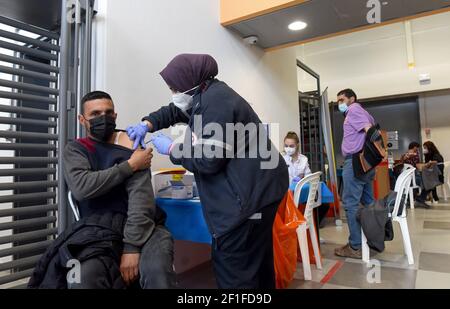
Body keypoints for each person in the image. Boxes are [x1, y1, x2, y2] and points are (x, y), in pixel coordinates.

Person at [126, 54, 289, 289]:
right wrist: (147, 123)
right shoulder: (205, 95)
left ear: (188, 83)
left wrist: (173, 148)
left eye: (174, 87)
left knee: (235, 268)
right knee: (256, 263)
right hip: (262, 189)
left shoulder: (216, 102)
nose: (173, 93)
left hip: (248, 199)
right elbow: (174, 111)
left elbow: (209, 159)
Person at [30, 91, 177, 289]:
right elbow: (83, 187)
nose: (103, 118)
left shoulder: (131, 142)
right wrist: (130, 165)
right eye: (95, 114)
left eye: (108, 113)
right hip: (96, 228)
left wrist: (131, 247)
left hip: (143, 225)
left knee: (156, 270)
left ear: (115, 116)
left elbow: (140, 201)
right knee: (83, 277)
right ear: (82, 119)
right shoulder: (76, 149)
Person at [334, 89, 379, 259]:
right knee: (368, 202)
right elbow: (370, 126)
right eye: (338, 101)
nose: (340, 103)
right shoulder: (364, 112)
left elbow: (370, 131)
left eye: (342, 99)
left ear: (352, 99)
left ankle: (355, 246)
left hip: (355, 162)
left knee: (350, 203)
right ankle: (373, 240)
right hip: (365, 163)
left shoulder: (354, 109)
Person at [415, 141, 444, 208]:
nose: (424, 149)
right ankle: (421, 199)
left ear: (429, 148)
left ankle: (420, 198)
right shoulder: (428, 155)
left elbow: (435, 161)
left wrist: (428, 163)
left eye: (425, 148)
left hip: (437, 174)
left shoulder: (436, 155)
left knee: (429, 183)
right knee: (428, 183)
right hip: (432, 173)